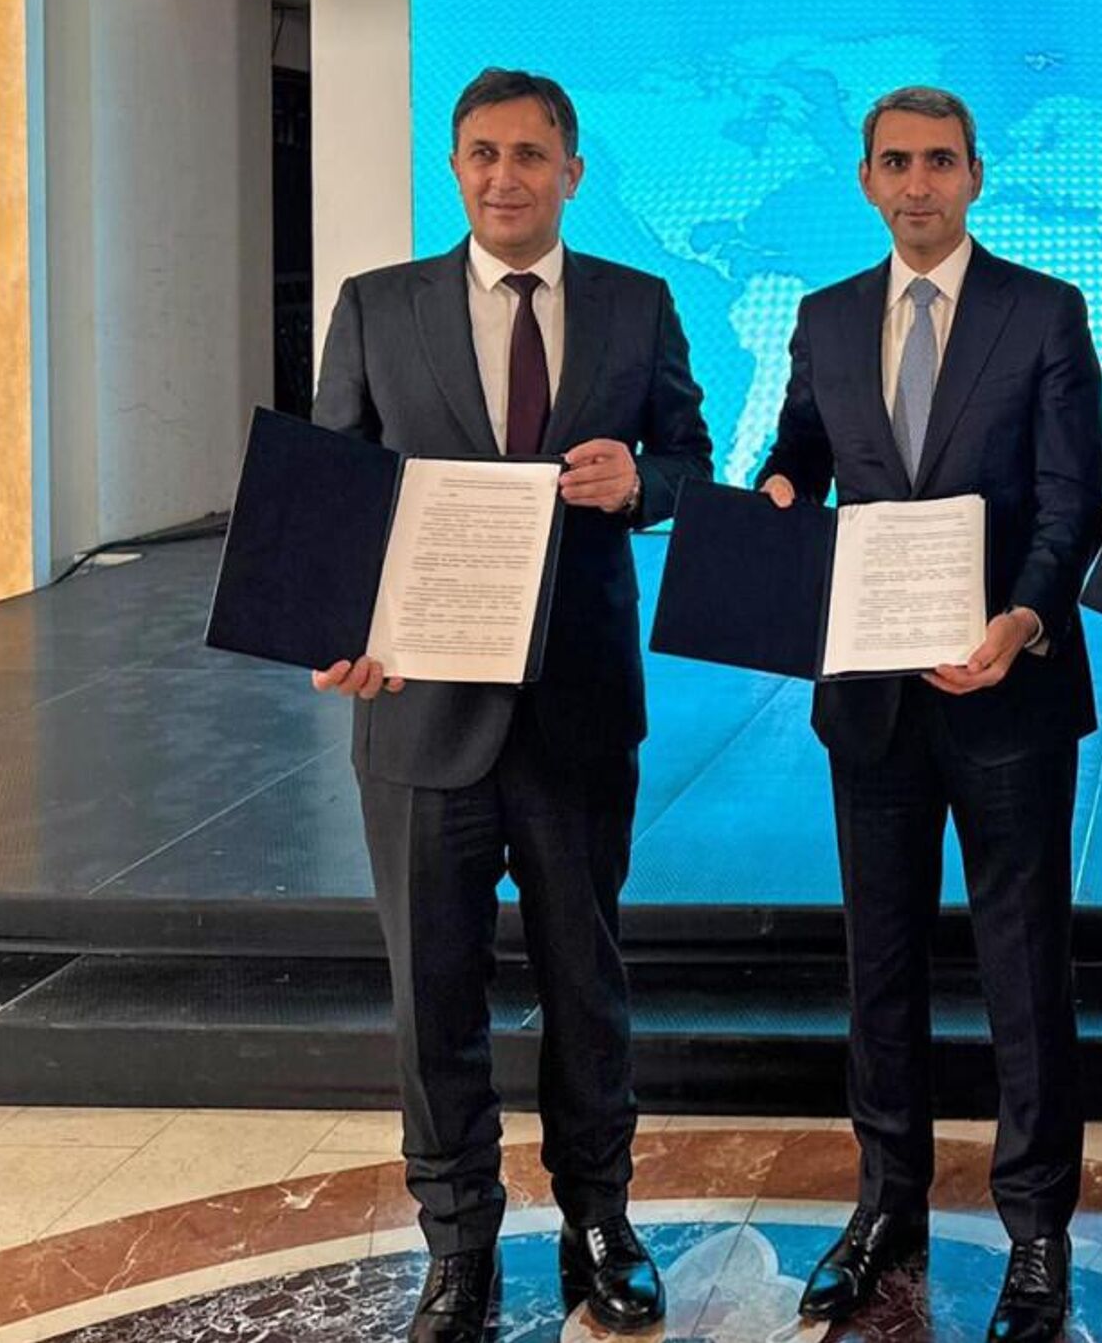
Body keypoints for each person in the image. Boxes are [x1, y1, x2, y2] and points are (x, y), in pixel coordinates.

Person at [311, 67, 712, 1342]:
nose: (505, 175)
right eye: (482, 152)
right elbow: (334, 498)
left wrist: (640, 483)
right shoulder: (376, 307)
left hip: (576, 710)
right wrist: (334, 632)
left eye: (531, 154)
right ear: (455, 166)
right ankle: (459, 1248)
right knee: (434, 997)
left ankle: (602, 1224)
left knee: (587, 987)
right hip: (419, 712)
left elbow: (691, 466)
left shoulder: (638, 306)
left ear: (572, 172)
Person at [756, 86, 1102, 1343]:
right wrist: (778, 495)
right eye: (896, 162)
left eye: (940, 162)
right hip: (872, 699)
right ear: (866, 179)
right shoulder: (825, 317)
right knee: (882, 967)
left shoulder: (1044, 312)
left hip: (1008, 688)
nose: (918, 183)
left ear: (975, 175)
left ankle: (1037, 1229)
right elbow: (800, 453)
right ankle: (884, 1209)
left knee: (1025, 970)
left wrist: (1023, 619)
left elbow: (1074, 500)